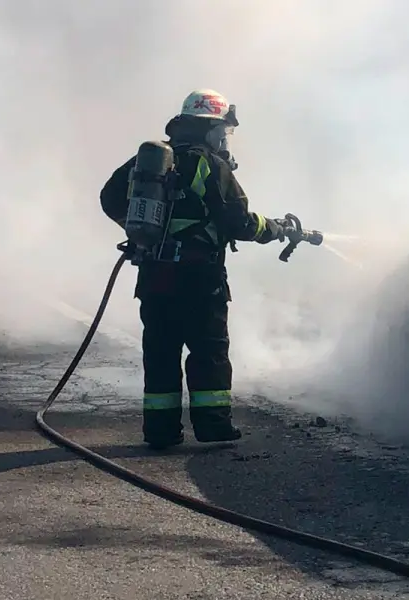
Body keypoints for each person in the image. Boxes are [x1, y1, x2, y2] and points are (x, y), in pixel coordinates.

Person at [100, 89, 290, 449]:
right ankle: (213, 426)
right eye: (223, 130)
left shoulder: (149, 161)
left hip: (154, 275)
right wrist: (274, 228)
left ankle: (160, 431)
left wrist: (140, 230)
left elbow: (109, 198)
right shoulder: (208, 164)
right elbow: (239, 222)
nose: (225, 139)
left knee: (160, 352)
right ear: (210, 129)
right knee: (208, 351)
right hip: (200, 279)